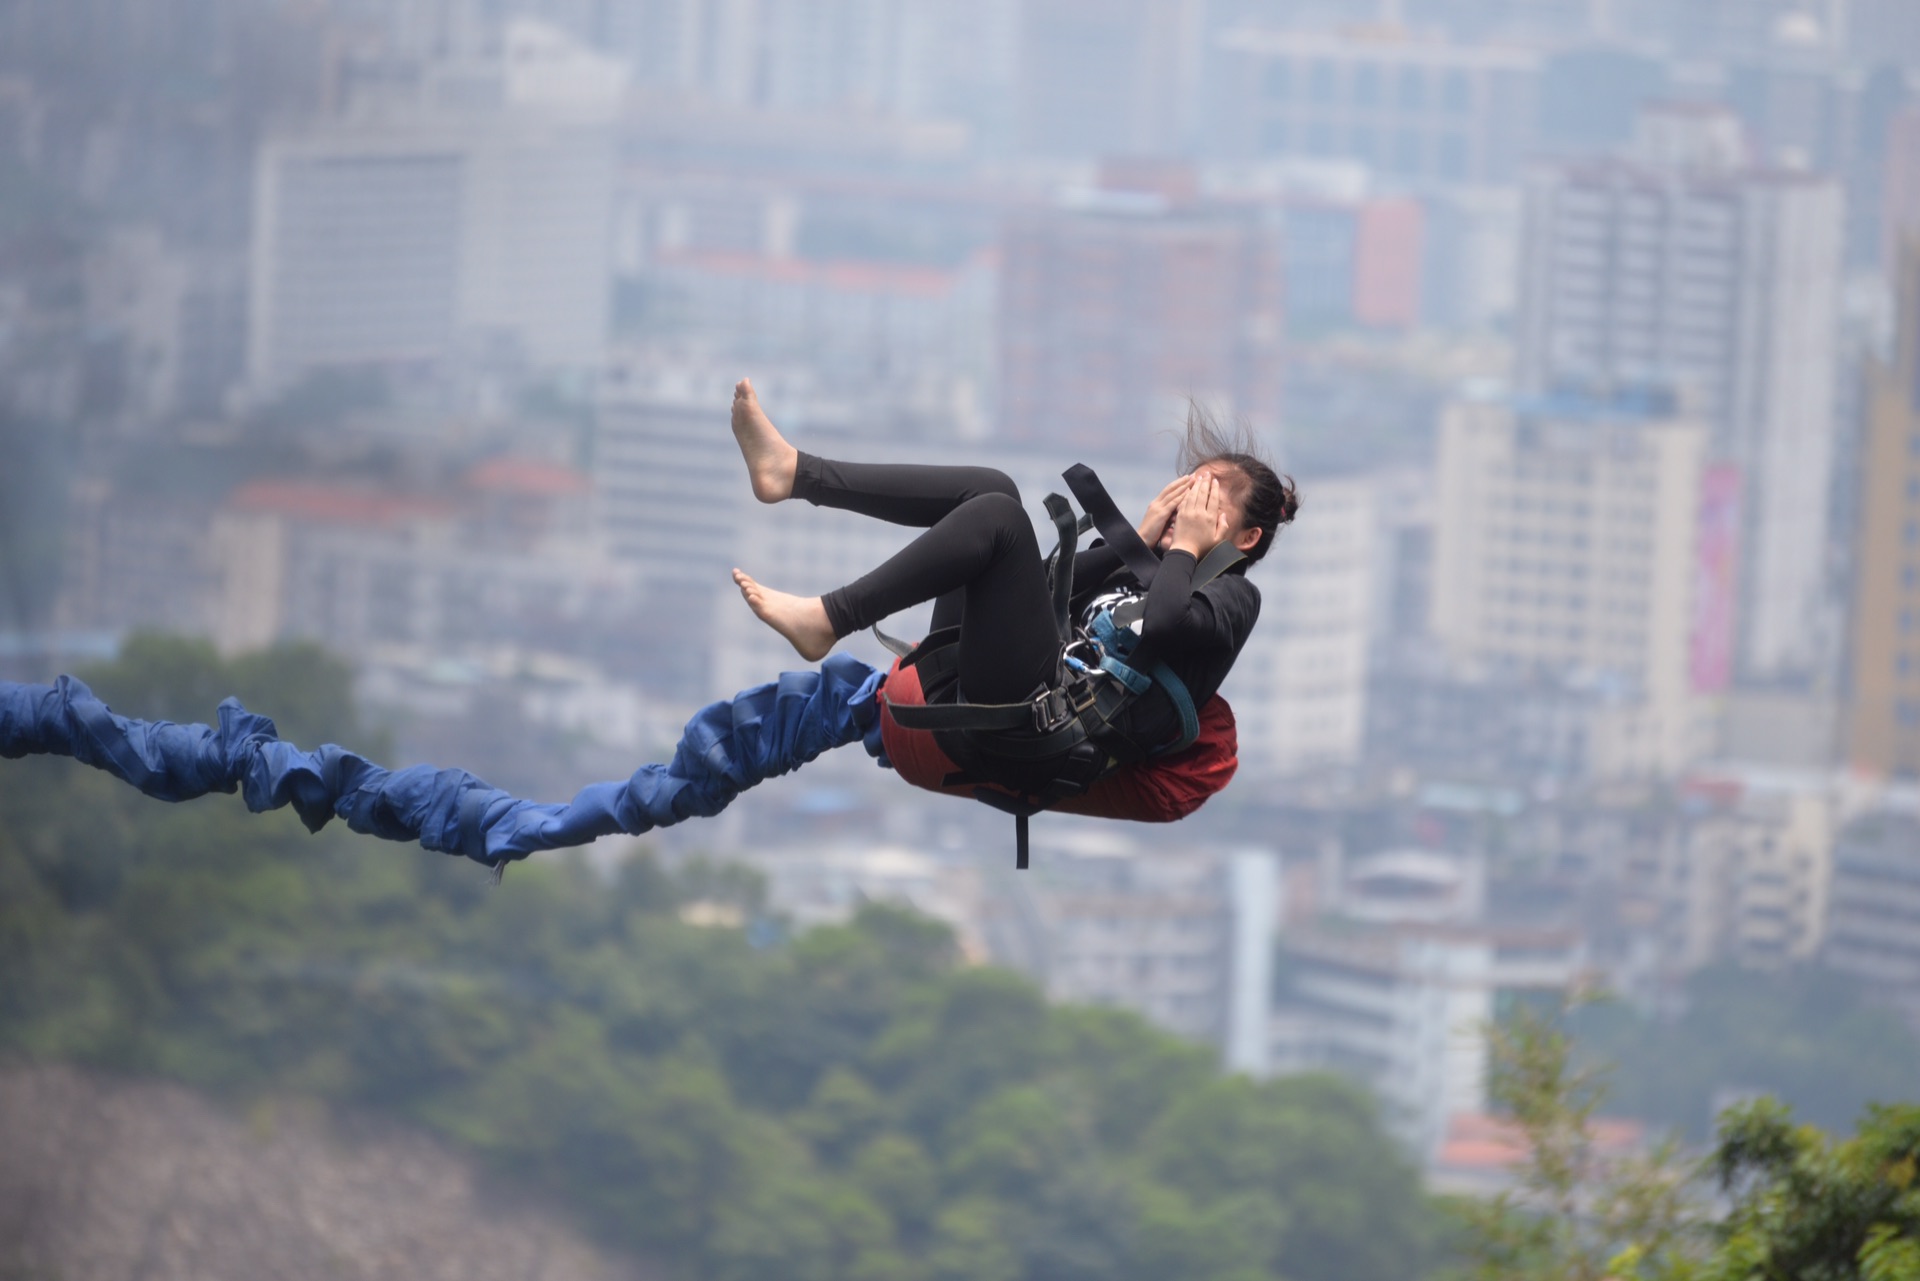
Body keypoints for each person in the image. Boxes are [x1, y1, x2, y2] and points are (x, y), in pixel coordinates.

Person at [724, 378, 1298, 823]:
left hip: (1035, 729)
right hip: (990, 690)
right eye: (1187, 492)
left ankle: (828, 618)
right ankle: (795, 473)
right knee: (991, 490)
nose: (1189, 509)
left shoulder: (1232, 596)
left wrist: (1188, 550)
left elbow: (1167, 624)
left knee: (1001, 519)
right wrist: (1138, 542)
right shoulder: (1147, 566)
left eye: (1208, 502)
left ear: (1246, 539)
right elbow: (1041, 587)